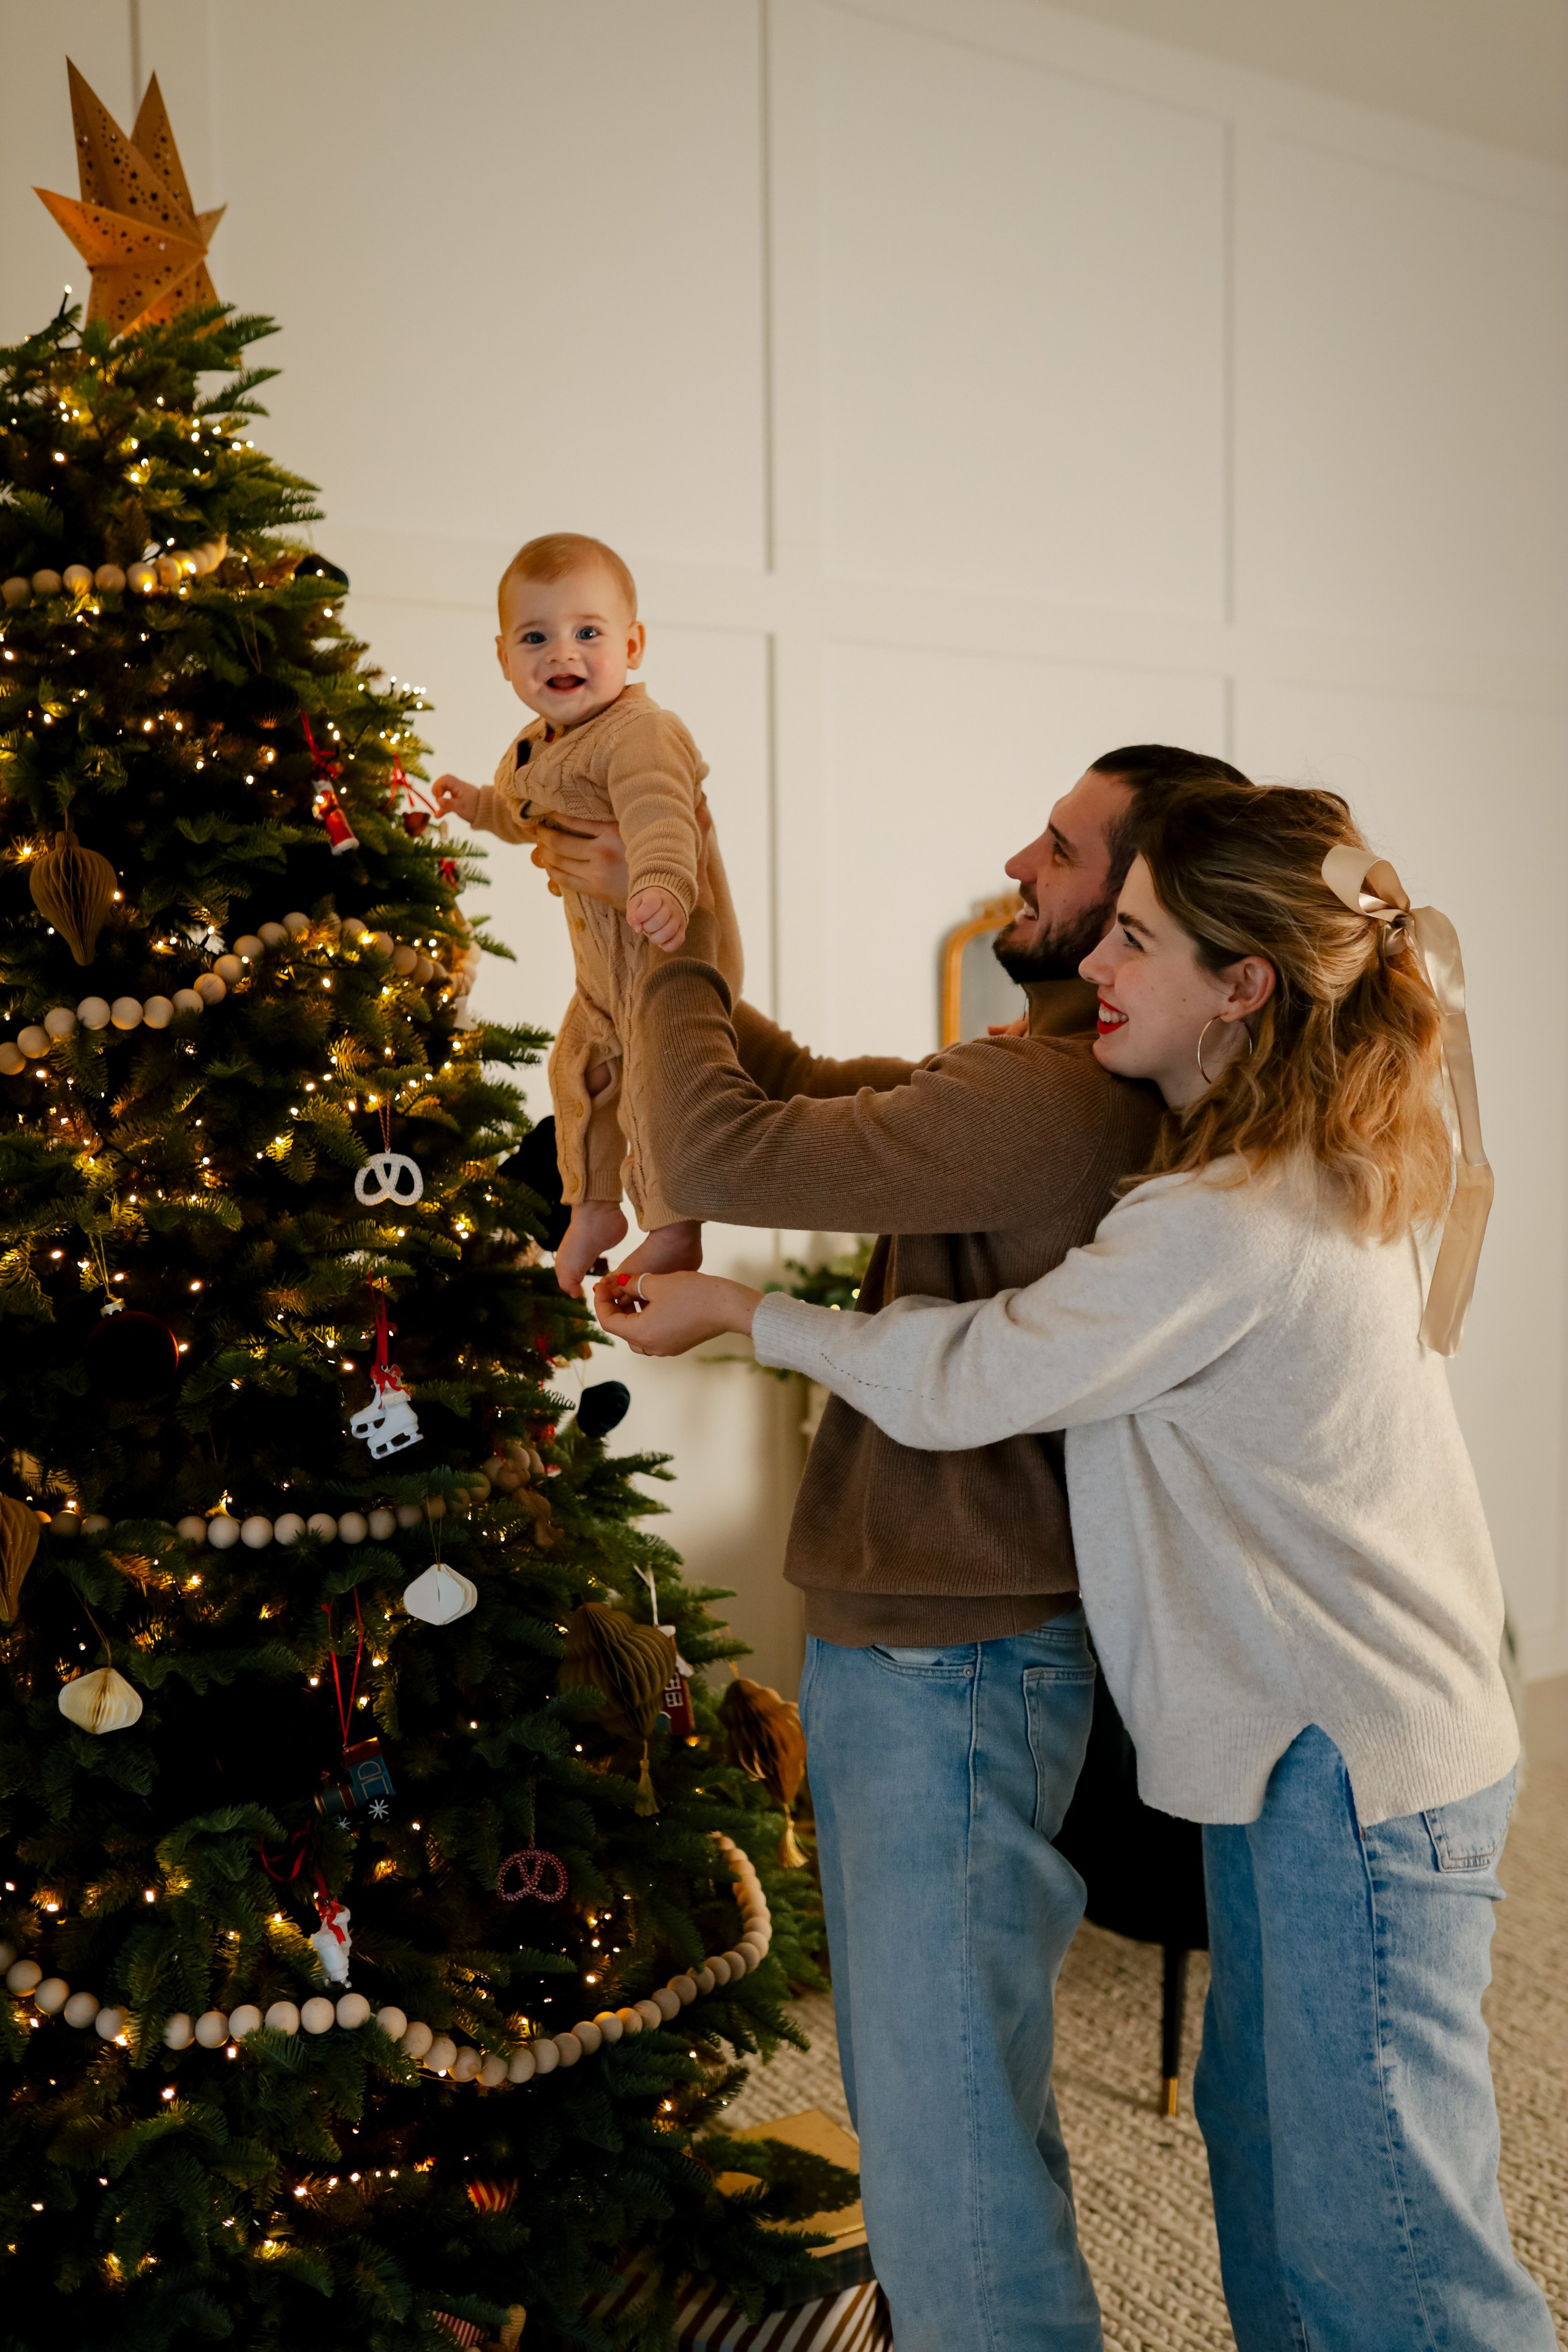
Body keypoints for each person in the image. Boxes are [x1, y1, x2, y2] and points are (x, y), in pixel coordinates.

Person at [601, 780, 1555, 2352]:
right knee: (1286, 2174)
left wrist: (749, 1317)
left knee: (1385, 2230)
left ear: (1241, 983)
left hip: (1356, 1766)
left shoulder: (1222, 1220)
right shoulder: (1289, 1153)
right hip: (1319, 1752)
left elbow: (973, 1373)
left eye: (1130, 937)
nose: (1083, 964)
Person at [531, 745, 1250, 2352]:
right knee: (953, 2109)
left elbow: (719, 1150)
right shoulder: (1036, 1089)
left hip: (958, 1660)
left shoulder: (1046, 1100)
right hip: (950, 1646)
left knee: (944, 2150)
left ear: (1146, 901)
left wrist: (681, 946)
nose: (1022, 862)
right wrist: (660, 911)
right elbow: (794, 1093)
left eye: (1063, 857)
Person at [431, 530, 744, 1296]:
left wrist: (664, 884)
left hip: (663, 955)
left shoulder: (641, 733)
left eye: (588, 633)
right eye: (534, 637)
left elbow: (659, 815)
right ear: (503, 658)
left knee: (653, 1088)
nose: (560, 652)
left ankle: (672, 1224)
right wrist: (478, 807)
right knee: (576, 1073)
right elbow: (520, 812)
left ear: (632, 645)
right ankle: (593, 1205)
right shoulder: (533, 747)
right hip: (600, 979)